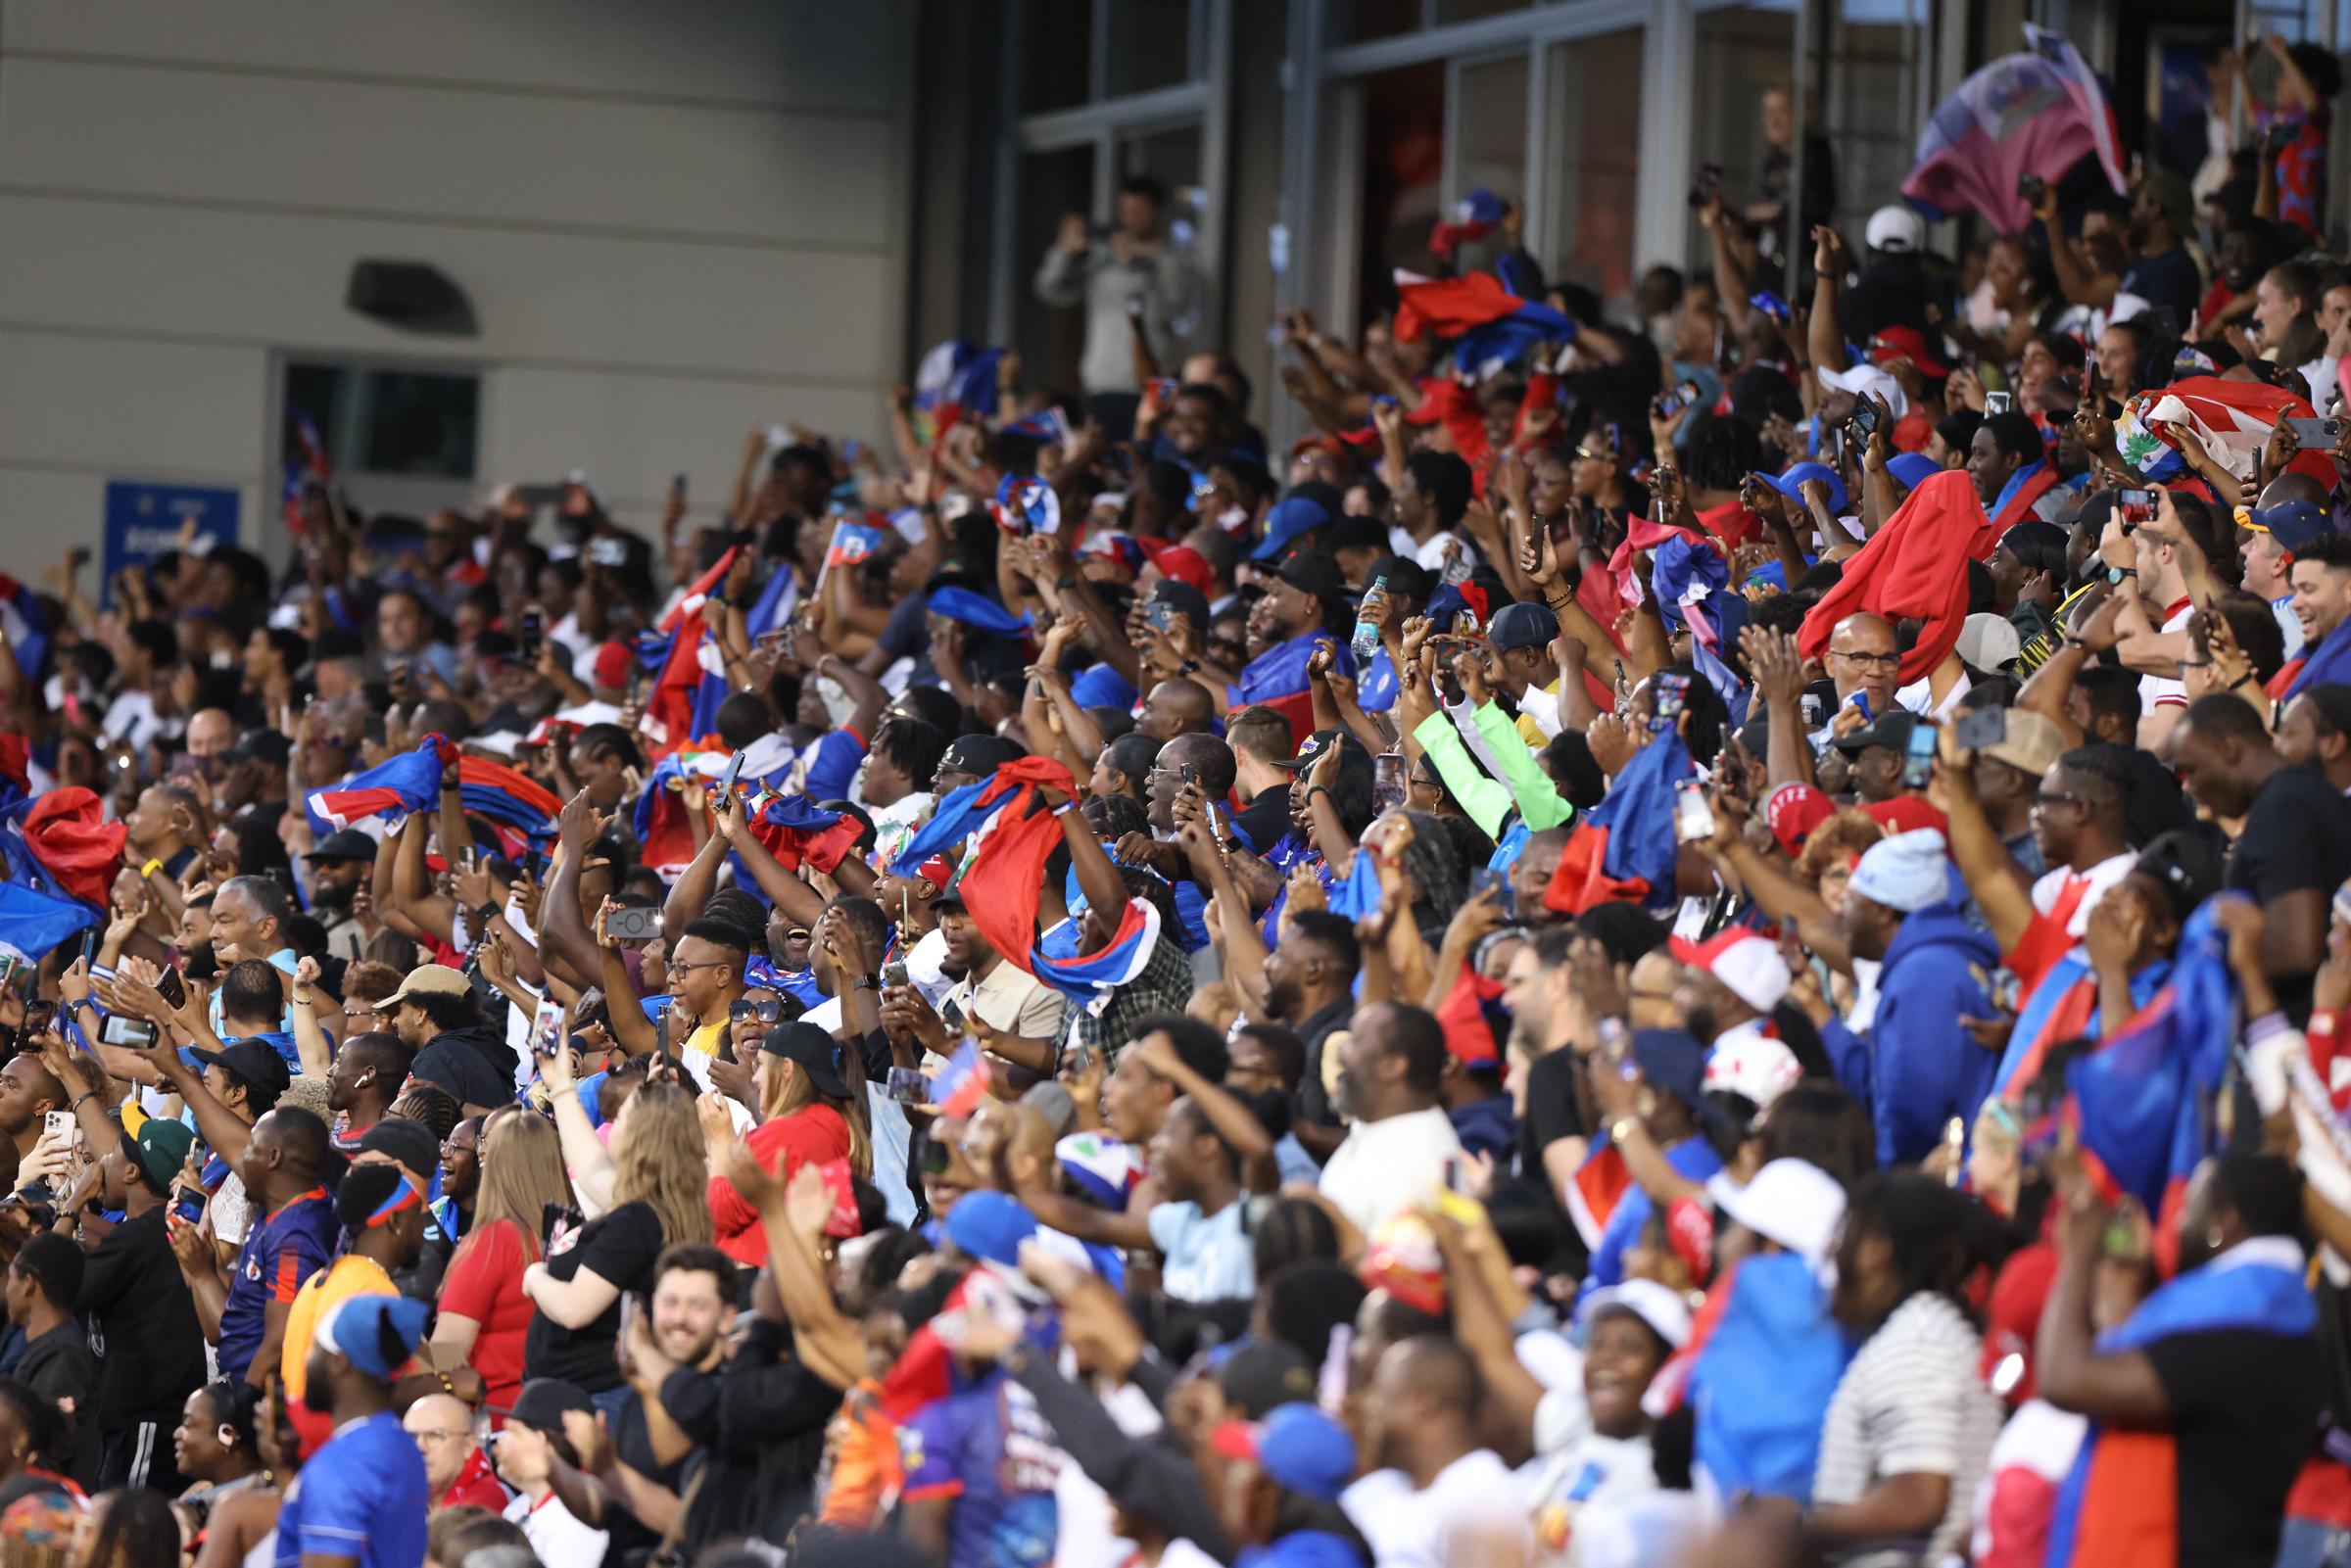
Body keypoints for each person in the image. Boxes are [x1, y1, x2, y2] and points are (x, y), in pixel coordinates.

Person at [430, 1108, 573, 1417]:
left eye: (484, 1160)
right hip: (558, 1419)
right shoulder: (575, 1235)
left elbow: (446, 1351)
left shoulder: (494, 1241)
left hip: (496, 1423)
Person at [271, 1295, 432, 1568]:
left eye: (315, 1348)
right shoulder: (401, 1444)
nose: (308, 1358)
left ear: (340, 1362)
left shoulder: (340, 1465)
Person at [1032, 175, 1201, 421]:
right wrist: (1064, 252)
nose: (1130, 218)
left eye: (1138, 210)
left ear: (1157, 211)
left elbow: (1175, 311)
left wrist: (1142, 263)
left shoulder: (1173, 261)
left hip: (1153, 377)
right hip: (1103, 379)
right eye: (1125, 210)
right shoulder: (1103, 259)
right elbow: (1051, 290)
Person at [705, 1022, 862, 1268]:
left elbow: (719, 1212)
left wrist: (720, 1141)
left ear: (786, 1068)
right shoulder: (828, 1124)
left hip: (760, 1277)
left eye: (763, 1066)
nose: (755, 1078)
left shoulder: (789, 1133)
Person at [1318, 1003, 1463, 1242]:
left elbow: (1394, 1275)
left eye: (1356, 1040)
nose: (1340, 1050)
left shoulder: (1418, 1166)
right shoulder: (1381, 1129)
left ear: (1393, 1066)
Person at [5, 1237, 94, 1488]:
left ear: (29, 1284)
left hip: (42, 1513)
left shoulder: (62, 1356)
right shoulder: (52, 1347)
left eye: (11, 1278)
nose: (7, 1288)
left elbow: (47, 1454)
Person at [490, 1380, 608, 1566]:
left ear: (544, 1443)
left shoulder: (577, 1521)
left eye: (513, 1433)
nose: (499, 1445)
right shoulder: (516, 1509)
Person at [403, 1393, 507, 1515]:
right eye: (410, 1437)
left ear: (468, 1446)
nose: (420, 1447)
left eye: (435, 1435)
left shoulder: (482, 1505)